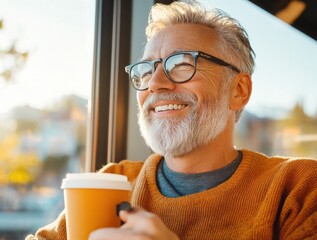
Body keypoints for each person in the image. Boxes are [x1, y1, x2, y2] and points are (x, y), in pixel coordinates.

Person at [26, 0, 317, 239]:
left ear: (238, 91)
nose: (154, 83)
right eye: (145, 70)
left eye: (180, 64)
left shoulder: (299, 189)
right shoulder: (114, 182)